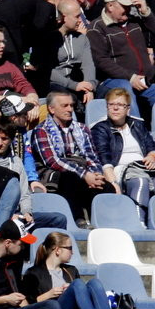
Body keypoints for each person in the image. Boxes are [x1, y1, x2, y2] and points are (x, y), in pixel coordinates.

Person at [33, 91, 117, 228]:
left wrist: (95, 174)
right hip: (56, 173)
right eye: (65, 106)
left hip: (83, 170)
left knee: (107, 187)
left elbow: (91, 156)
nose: (70, 109)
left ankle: (106, 223)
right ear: (51, 109)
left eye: (71, 105)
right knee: (71, 178)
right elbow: (52, 161)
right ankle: (78, 219)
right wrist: (84, 175)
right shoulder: (42, 130)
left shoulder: (82, 128)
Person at [90, 87, 155, 224]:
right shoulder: (100, 128)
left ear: (128, 109)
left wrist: (152, 156)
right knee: (140, 180)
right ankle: (138, 222)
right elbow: (103, 158)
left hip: (142, 167)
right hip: (118, 169)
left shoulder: (137, 125)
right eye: (111, 104)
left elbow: (152, 146)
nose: (115, 108)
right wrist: (113, 183)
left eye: (120, 105)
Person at [86, 0, 155, 119]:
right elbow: (101, 61)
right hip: (112, 81)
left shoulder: (135, 22)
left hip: (143, 81)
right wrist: (130, 77)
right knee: (125, 88)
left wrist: (146, 14)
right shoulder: (97, 28)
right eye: (124, 6)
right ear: (110, 6)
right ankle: (135, 130)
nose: (128, 9)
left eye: (129, 6)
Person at [23, 231, 115, 309]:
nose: (72, 252)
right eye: (70, 248)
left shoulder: (71, 270)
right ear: (58, 250)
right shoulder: (33, 273)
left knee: (94, 283)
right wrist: (49, 294)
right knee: (77, 284)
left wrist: (71, 290)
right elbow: (27, 306)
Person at [0, 116, 37, 221]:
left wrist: (27, 212)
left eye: (4, 139)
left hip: (17, 214)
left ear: (11, 140)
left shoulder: (17, 162)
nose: (0, 143)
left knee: (58, 219)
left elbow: (24, 194)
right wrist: (7, 216)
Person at [50, 0, 97, 118]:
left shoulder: (81, 38)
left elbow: (88, 65)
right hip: (57, 83)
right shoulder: (49, 39)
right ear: (64, 17)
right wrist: (73, 85)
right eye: (77, 16)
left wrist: (89, 87)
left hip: (79, 81)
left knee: (108, 93)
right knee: (66, 96)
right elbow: (48, 70)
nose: (80, 20)